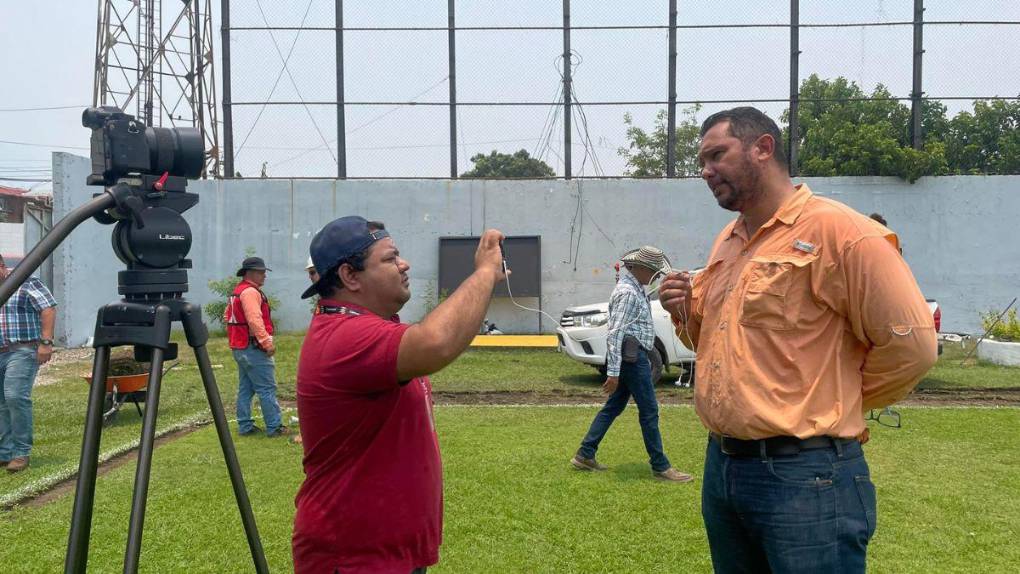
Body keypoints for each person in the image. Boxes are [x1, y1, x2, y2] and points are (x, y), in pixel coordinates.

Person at [659, 107, 938, 573]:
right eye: (701, 160)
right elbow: (717, 343)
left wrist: (841, 399)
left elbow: (912, 347)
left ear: (763, 148)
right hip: (724, 467)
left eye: (717, 155)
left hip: (806, 476)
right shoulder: (729, 240)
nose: (705, 171)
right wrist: (685, 311)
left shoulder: (844, 234)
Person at [292, 216, 506, 574]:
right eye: (390, 258)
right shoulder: (345, 337)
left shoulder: (374, 328)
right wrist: (484, 273)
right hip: (354, 557)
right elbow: (436, 343)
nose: (404, 264)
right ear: (350, 276)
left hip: (388, 552)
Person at [571, 246, 692, 483]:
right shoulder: (628, 292)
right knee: (649, 411)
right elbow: (615, 332)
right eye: (651, 271)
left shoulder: (633, 289)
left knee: (614, 407)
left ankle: (585, 453)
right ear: (638, 268)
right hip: (633, 359)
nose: (654, 276)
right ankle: (660, 466)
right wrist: (613, 373)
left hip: (632, 357)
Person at [0, 255, 57, 473]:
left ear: (2, 266)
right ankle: (5, 452)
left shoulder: (25, 281)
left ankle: (21, 452)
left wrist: (46, 342)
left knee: (15, 396)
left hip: (23, 349)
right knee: (2, 403)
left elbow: (48, 308)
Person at [224, 256, 287, 437]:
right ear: (250, 273)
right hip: (253, 348)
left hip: (239, 346)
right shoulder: (251, 292)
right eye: (261, 272)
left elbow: (226, 316)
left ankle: (245, 426)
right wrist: (266, 343)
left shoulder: (237, 291)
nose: (264, 275)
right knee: (267, 388)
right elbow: (254, 320)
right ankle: (274, 427)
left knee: (246, 389)